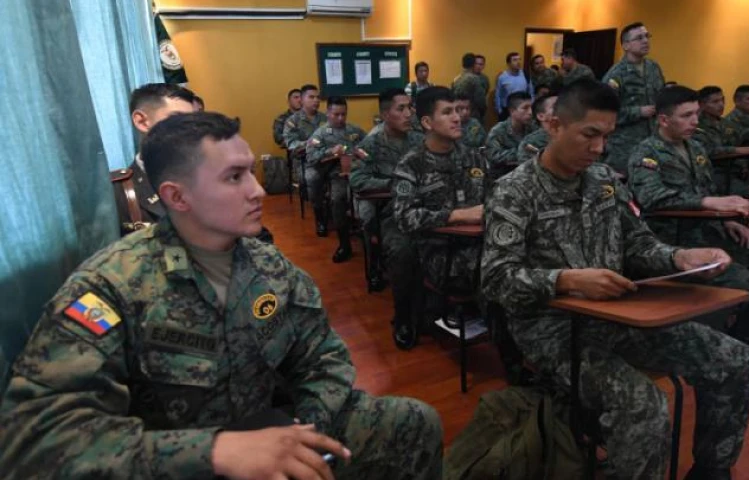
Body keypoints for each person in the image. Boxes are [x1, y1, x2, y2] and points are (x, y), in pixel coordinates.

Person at [0, 112, 443, 480]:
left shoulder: (269, 266)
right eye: (234, 177)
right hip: (174, 464)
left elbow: (323, 357)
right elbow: (33, 441)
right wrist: (214, 451)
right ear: (178, 197)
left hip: (272, 430)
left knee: (414, 421)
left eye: (250, 171)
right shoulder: (110, 287)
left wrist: (303, 432)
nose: (258, 189)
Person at [482, 79, 749, 480]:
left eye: (607, 137)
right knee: (644, 406)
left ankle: (712, 469)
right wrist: (567, 280)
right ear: (554, 126)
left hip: (618, 314)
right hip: (553, 328)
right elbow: (496, 279)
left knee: (734, 360)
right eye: (589, 135)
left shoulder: (604, 180)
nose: (599, 148)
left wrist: (679, 257)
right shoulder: (514, 191)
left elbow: (638, 243)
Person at [627, 85, 749, 364]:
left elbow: (708, 188)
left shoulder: (695, 148)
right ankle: (704, 344)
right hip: (674, 240)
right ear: (664, 119)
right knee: (738, 279)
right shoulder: (646, 153)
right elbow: (652, 198)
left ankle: (747, 329)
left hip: (712, 229)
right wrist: (710, 204)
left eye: (696, 113)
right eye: (686, 115)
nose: (695, 121)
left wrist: (729, 219)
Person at [392, 87, 486, 347]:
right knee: (400, 252)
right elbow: (404, 217)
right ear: (427, 122)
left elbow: (495, 198)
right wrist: (455, 215)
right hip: (438, 249)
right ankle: (404, 319)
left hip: (480, 243)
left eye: (457, 111)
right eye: (447, 112)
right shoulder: (412, 164)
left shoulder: (473, 157)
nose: (457, 117)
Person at [350, 88, 424, 346]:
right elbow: (358, 179)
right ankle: (403, 317)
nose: (408, 113)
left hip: (425, 207)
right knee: (402, 251)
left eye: (410, 107)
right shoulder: (370, 144)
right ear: (384, 115)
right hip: (393, 210)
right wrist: (393, 184)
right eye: (400, 109)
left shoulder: (420, 140)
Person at [111, 83, 195, 236]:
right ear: (142, 122)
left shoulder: (210, 175)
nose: (190, 130)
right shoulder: (117, 193)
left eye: (193, 122)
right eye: (177, 119)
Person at [305, 96, 367, 263]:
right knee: (338, 199)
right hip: (337, 173)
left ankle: (371, 238)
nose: (340, 118)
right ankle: (344, 244)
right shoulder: (320, 134)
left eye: (343, 114)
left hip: (358, 171)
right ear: (328, 113)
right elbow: (311, 157)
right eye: (336, 114)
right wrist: (330, 152)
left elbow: (370, 147)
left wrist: (361, 153)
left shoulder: (354, 130)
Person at [601, 22, 665, 173]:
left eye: (647, 36)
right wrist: (638, 112)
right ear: (626, 45)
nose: (645, 41)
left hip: (653, 141)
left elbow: (661, 96)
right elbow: (605, 113)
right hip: (625, 147)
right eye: (639, 38)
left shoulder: (653, 67)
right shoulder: (616, 74)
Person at [694, 86, 749, 196]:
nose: (721, 104)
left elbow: (741, 142)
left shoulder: (727, 124)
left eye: (723, 100)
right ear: (702, 105)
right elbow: (706, 151)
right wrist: (736, 150)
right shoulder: (696, 126)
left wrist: (743, 165)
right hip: (715, 174)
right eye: (715, 102)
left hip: (737, 171)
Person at [283, 84, 327, 234]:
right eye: (311, 97)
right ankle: (319, 217)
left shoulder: (325, 118)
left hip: (327, 158)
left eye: (318, 97)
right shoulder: (293, 121)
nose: (316, 100)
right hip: (305, 162)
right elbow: (291, 143)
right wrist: (310, 143)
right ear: (302, 100)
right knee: (313, 178)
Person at [485, 92, 533, 179]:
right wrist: (521, 152)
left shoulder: (533, 128)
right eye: (525, 108)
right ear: (512, 111)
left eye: (531, 107)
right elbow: (493, 156)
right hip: (503, 176)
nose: (530, 112)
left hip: (526, 175)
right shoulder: (498, 131)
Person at [518, 93, 557, 163]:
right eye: (556, 106)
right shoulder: (531, 143)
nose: (564, 109)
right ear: (541, 116)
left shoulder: (573, 135)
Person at [494, 52, 531, 121]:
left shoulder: (526, 75)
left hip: (523, 108)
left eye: (519, 59)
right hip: (507, 110)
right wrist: (499, 110)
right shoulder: (502, 77)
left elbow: (531, 92)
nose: (518, 62)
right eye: (515, 60)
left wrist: (530, 107)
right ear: (508, 63)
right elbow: (498, 95)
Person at [453, 53, 487, 121]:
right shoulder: (474, 79)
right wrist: (483, 111)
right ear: (473, 64)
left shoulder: (457, 78)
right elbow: (480, 100)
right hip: (472, 112)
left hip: (458, 112)